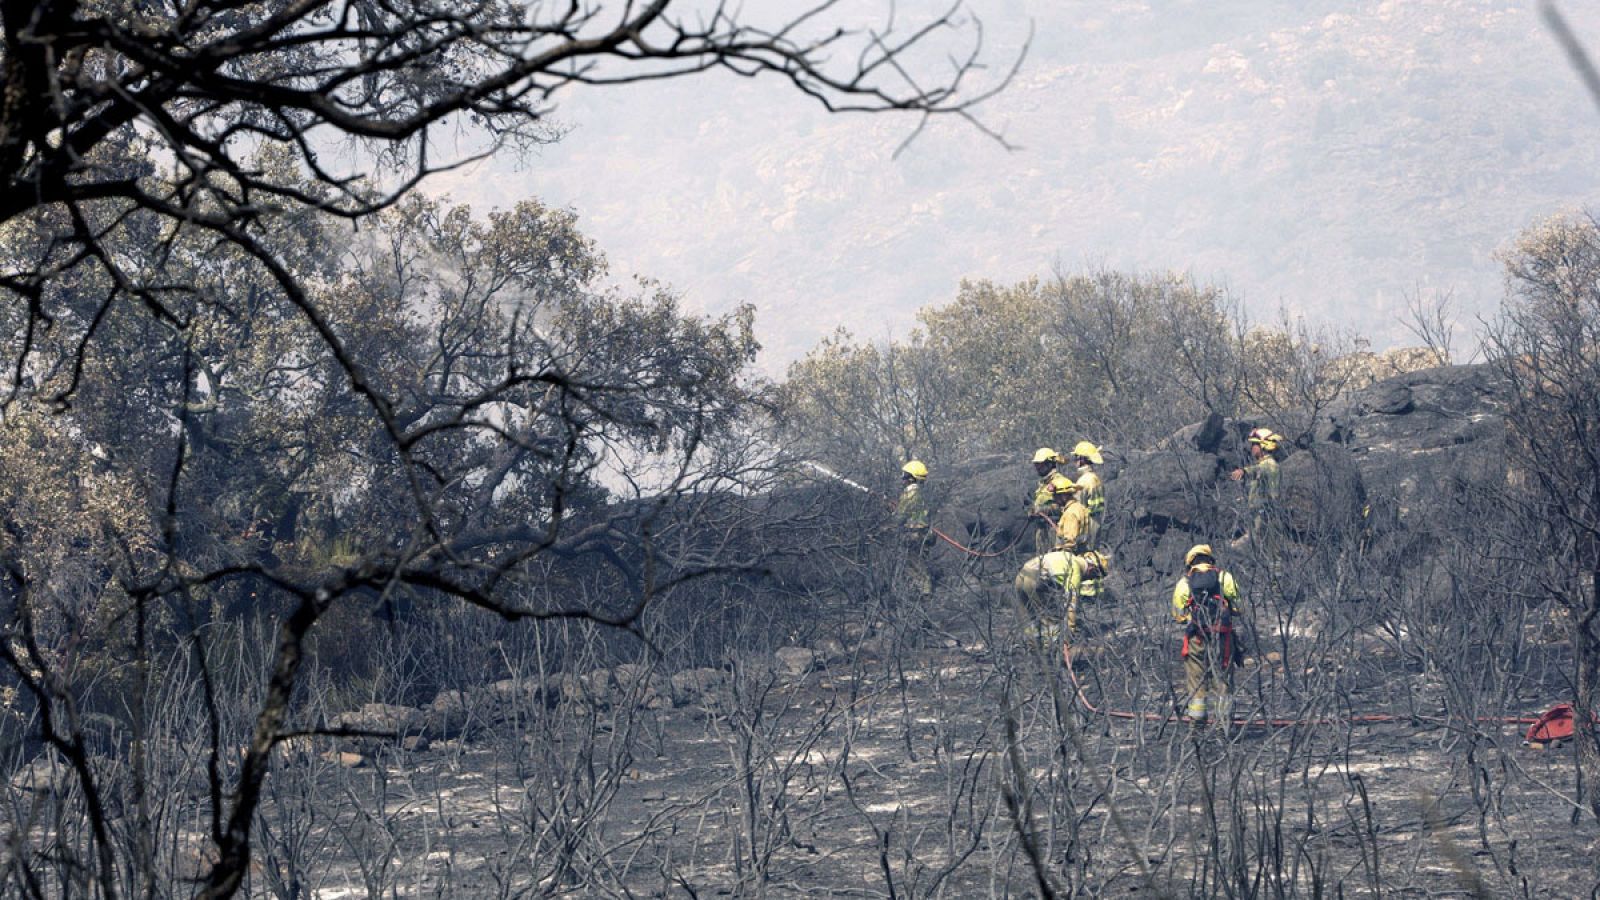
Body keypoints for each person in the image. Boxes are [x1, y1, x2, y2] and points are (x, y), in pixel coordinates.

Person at [1171, 544, 1244, 725]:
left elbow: (1178, 616)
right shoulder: (1225, 577)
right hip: (1223, 639)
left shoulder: (1184, 583)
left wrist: (1192, 617)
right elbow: (1238, 608)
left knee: (1196, 683)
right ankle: (1223, 725)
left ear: (1190, 563)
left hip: (1197, 639)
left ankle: (1197, 726)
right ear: (1210, 559)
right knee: (1223, 681)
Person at [1012, 549, 1109, 643]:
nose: (1090, 579)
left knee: (1030, 619)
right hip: (1034, 581)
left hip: (1020, 577)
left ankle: (1032, 649)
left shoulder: (1067, 556)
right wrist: (1070, 632)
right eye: (1093, 577)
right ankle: (1050, 653)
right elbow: (1071, 604)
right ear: (1092, 569)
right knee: (1050, 620)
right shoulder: (1075, 571)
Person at [1230, 428, 1282, 543]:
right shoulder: (1264, 464)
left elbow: (1258, 469)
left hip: (1264, 517)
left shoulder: (1270, 465)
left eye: (1254, 444)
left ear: (1263, 446)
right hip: (1256, 516)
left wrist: (1244, 471)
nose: (1252, 447)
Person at [897, 459, 934, 595]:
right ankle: (921, 591)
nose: (902, 478)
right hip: (922, 533)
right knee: (919, 563)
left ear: (912, 478)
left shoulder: (910, 493)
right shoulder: (921, 492)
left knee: (916, 565)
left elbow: (900, 517)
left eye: (905, 475)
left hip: (914, 534)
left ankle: (924, 593)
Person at [1028, 448, 1075, 555]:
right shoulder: (1044, 483)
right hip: (1043, 531)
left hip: (1054, 531)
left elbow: (1066, 506)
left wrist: (1044, 510)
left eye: (1039, 465)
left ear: (1049, 464)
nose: (1037, 468)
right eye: (1036, 465)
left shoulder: (1059, 481)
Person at [1072, 440, 1105, 549]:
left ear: (1082, 459)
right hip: (1096, 524)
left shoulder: (1084, 481)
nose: (1074, 461)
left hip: (1086, 528)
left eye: (1076, 457)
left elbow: (1078, 509)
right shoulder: (1095, 478)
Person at [1052, 480, 1091, 554]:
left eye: (1056, 496)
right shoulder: (1080, 507)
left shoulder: (1070, 513)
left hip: (1069, 557)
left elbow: (1069, 544)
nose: (1054, 499)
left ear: (1064, 496)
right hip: (1081, 553)